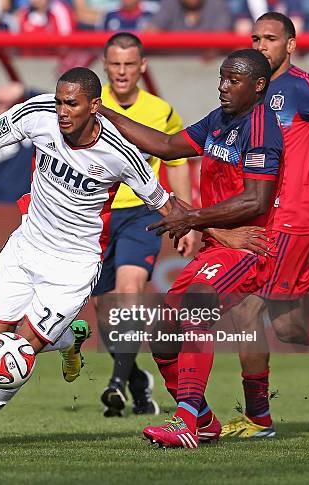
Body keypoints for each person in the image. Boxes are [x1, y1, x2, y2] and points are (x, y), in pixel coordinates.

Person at [0, 67, 184, 445]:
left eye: (71, 104)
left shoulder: (120, 153)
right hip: (25, 248)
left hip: (73, 265)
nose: (61, 111)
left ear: (95, 106)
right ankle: (68, 339)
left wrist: (220, 230)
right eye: (59, 101)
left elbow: (168, 206)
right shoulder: (37, 113)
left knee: (17, 355)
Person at [100, 48, 285, 448]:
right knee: (164, 333)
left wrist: (192, 219)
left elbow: (256, 201)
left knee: (195, 309)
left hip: (247, 250)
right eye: (221, 78)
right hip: (218, 247)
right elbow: (167, 145)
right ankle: (203, 418)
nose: (222, 87)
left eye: (232, 81)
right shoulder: (222, 119)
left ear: (258, 86)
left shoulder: (261, 129)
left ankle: (184, 420)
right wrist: (108, 115)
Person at [219, 12, 309, 440]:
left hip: (291, 217)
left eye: (270, 39)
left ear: (290, 45)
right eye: (255, 37)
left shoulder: (302, 87)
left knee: (245, 310)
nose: (260, 46)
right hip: (265, 218)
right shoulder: (247, 89)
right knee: (290, 324)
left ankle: (258, 420)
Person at [95, 32, 196, 418]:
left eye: (129, 65)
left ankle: (116, 384)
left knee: (129, 291)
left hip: (143, 213)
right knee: (106, 311)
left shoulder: (161, 110)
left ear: (142, 67)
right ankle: (135, 378)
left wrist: (186, 219)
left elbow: (176, 161)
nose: (122, 72)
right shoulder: (90, 104)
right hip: (98, 216)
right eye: (115, 64)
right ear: (105, 65)